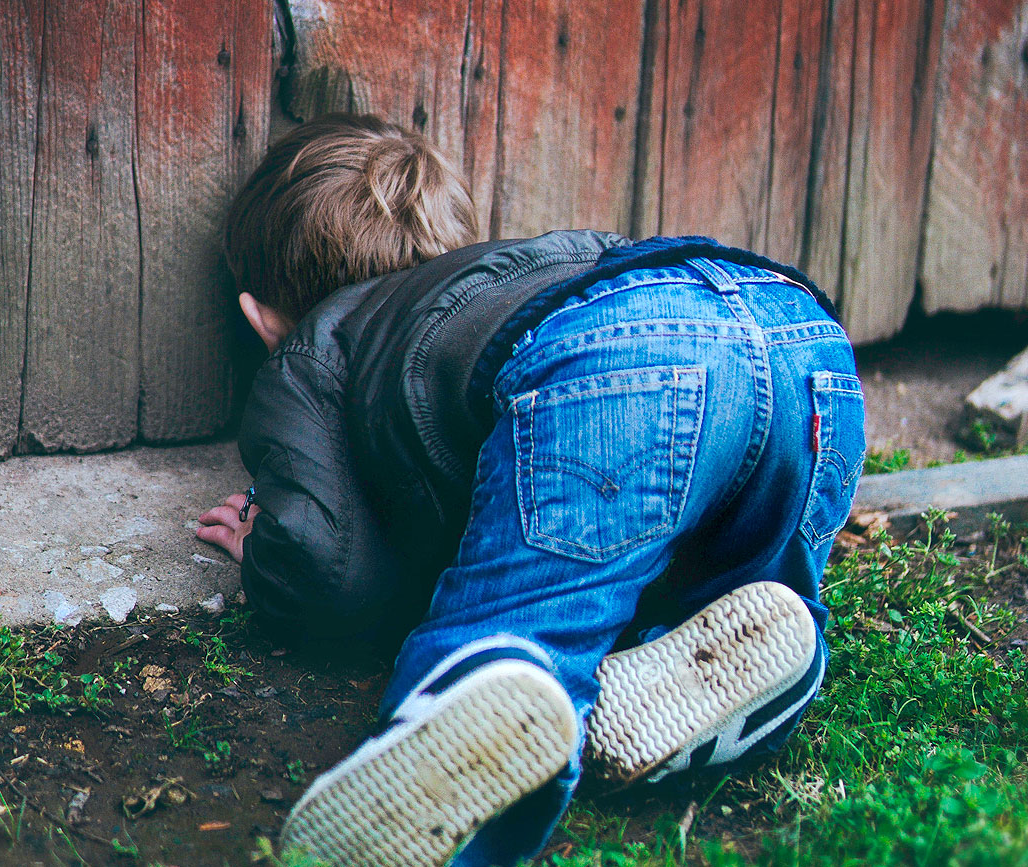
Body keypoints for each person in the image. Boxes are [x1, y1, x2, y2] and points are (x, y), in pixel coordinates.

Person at [196, 113, 865, 867]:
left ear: (261, 320)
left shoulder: (316, 346)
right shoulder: (522, 267)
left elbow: (330, 568)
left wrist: (267, 549)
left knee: (523, 621)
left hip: (617, 364)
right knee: (649, 543)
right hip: (800, 337)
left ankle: (506, 666)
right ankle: (743, 623)